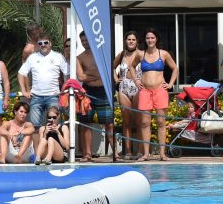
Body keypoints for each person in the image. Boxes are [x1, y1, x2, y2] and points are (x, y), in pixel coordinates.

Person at [17, 33, 68, 151]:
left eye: (45, 42)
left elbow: (67, 73)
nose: (43, 45)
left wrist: (65, 90)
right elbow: (21, 73)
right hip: (36, 97)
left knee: (54, 126)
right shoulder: (32, 57)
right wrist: (24, 91)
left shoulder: (58, 56)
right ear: (37, 45)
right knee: (35, 127)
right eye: (40, 43)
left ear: (51, 43)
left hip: (53, 96)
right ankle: (37, 152)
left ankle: (56, 152)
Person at [136, 28, 178, 161]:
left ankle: (162, 153)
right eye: (148, 38)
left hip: (160, 90)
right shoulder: (140, 54)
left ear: (156, 39)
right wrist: (136, 80)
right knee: (144, 122)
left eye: (152, 38)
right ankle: (146, 153)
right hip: (145, 91)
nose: (150, 40)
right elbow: (131, 66)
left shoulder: (163, 54)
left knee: (161, 121)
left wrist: (171, 84)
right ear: (145, 40)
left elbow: (175, 68)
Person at [76, 31, 115, 161]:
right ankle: (87, 153)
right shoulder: (79, 57)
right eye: (83, 41)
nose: (85, 43)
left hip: (103, 91)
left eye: (87, 40)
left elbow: (108, 71)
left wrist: (93, 76)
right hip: (87, 92)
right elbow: (81, 77)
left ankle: (115, 153)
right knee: (85, 123)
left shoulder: (102, 54)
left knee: (109, 123)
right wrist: (98, 75)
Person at [113, 31, 142, 159]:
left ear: (137, 42)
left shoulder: (141, 54)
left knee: (140, 121)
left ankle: (141, 150)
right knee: (126, 122)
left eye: (133, 39)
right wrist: (116, 79)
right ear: (125, 41)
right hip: (124, 87)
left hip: (138, 87)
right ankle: (128, 151)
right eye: (129, 39)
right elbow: (112, 67)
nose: (131, 41)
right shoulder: (122, 55)